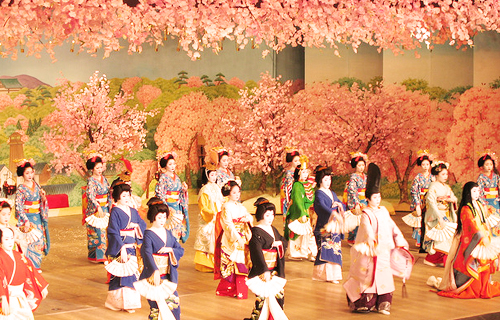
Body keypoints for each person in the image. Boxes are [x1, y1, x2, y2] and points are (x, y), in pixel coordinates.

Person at [344, 163, 410, 315]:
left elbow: (392, 226)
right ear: (367, 198)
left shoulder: (384, 211)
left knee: (384, 274)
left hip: (384, 250)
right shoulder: (366, 213)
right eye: (375, 197)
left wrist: (400, 240)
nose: (378, 199)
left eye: (379, 196)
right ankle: (365, 302)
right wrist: (372, 240)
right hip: (371, 250)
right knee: (367, 274)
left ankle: (383, 302)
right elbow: (367, 229)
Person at [433, 182, 500, 299]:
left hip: (482, 239)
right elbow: (471, 225)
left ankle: (484, 286)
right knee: (470, 263)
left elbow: (484, 221)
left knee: (487, 262)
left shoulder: (478, 204)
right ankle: (471, 287)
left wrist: (486, 235)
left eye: (478, 191)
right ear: (468, 193)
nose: (477, 193)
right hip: (470, 241)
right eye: (474, 191)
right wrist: (480, 235)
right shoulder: (465, 208)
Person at [135, 197, 184, 320]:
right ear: (153, 217)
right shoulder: (148, 235)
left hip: (167, 276)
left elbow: (180, 249)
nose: (162, 220)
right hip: (154, 278)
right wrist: (155, 270)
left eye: (164, 217)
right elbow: (146, 254)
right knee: (157, 307)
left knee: (173, 304)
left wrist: (170, 250)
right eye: (159, 217)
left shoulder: (167, 233)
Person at [104, 183, 146, 313]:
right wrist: (121, 247)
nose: (127, 198)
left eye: (128, 195)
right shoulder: (115, 211)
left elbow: (142, 224)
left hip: (132, 245)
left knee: (132, 273)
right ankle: (119, 303)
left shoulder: (133, 211)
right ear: (117, 197)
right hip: (121, 245)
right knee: (121, 274)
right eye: (123, 195)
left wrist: (137, 226)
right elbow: (113, 231)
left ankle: (129, 303)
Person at [244, 197, 288, 320]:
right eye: (267, 215)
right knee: (262, 299)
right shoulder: (256, 232)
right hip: (262, 271)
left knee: (278, 296)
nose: (271, 218)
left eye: (272, 215)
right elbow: (256, 253)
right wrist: (264, 270)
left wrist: (279, 244)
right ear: (261, 215)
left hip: (274, 269)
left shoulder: (273, 229)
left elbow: (283, 241)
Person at [214, 180, 253, 299]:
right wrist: (237, 238)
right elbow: (228, 225)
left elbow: (249, 216)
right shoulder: (226, 206)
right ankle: (230, 289)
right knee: (235, 263)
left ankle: (240, 290)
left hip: (242, 234)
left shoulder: (240, 206)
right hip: (232, 237)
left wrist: (248, 218)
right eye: (234, 192)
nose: (237, 195)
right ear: (228, 193)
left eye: (238, 192)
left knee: (242, 263)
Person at [0, 227, 48, 319]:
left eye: (11, 238)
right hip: (8, 296)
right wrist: (3, 298)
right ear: (1, 240)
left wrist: (41, 286)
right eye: (6, 239)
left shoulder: (19, 256)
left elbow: (30, 270)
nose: (10, 241)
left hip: (20, 297)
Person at [312, 165, 346, 283]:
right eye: (325, 179)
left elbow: (340, 203)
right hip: (325, 225)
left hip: (334, 226)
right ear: (320, 180)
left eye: (329, 179)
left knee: (334, 249)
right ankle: (324, 275)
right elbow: (321, 206)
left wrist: (340, 206)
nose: (328, 182)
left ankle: (333, 275)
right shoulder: (319, 194)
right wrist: (333, 213)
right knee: (326, 249)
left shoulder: (332, 193)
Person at [15, 159, 49, 270]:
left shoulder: (37, 185)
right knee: (29, 242)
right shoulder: (21, 189)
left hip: (37, 217)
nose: (30, 175)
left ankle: (36, 265)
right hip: (27, 219)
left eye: (31, 172)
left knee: (38, 240)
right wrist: (25, 220)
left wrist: (43, 197)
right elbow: (19, 206)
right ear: (22, 174)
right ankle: (30, 266)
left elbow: (41, 201)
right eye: (27, 173)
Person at [423, 161, 458, 267]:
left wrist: (453, 200)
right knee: (441, 239)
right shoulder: (433, 187)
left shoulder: (447, 187)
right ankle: (433, 259)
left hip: (446, 214)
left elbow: (454, 198)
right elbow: (431, 203)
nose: (445, 176)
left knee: (447, 238)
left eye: (446, 174)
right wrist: (439, 217)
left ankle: (438, 259)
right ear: (436, 175)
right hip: (438, 214)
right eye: (443, 174)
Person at [284, 156, 317, 260]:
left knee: (308, 233)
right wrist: (302, 213)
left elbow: (310, 198)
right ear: (298, 173)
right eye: (303, 172)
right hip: (297, 211)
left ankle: (310, 252)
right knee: (297, 233)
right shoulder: (297, 185)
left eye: (306, 172)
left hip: (306, 211)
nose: (305, 174)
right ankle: (295, 253)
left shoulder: (307, 184)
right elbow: (298, 200)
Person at [194, 161, 223, 272]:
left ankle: (217, 262)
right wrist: (212, 214)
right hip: (209, 218)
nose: (214, 177)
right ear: (207, 176)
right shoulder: (205, 190)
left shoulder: (217, 187)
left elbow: (221, 201)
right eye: (212, 175)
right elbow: (203, 207)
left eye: (215, 174)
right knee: (208, 239)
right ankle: (206, 264)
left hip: (218, 216)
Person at [155, 151, 189, 243]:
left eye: (174, 163)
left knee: (177, 230)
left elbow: (179, 192)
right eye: (170, 164)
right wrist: (165, 207)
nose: (173, 166)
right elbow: (160, 194)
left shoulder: (177, 178)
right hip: (168, 207)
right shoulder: (163, 178)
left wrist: (184, 190)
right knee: (168, 230)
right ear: (165, 166)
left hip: (177, 207)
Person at [84, 154, 111, 263]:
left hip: (105, 207)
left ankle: (97, 255)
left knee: (104, 231)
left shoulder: (104, 179)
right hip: (96, 209)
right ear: (92, 169)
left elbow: (108, 192)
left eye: (101, 167)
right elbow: (90, 195)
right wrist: (98, 206)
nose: (100, 170)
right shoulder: (91, 180)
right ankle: (99, 255)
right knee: (98, 232)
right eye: (97, 168)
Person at [405, 151, 434, 247]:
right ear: (420, 166)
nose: (425, 166)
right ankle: (419, 241)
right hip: (420, 200)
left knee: (429, 220)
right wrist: (417, 204)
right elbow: (414, 191)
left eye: (427, 164)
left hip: (430, 201)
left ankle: (429, 241)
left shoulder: (433, 177)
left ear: (430, 165)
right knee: (419, 221)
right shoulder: (418, 177)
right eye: (423, 164)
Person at [346, 152, 368, 245]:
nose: (361, 167)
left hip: (364, 200)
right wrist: (356, 203)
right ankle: (353, 239)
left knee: (364, 220)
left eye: (363, 165)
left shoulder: (365, 176)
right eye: (359, 165)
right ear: (355, 166)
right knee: (356, 221)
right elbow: (352, 190)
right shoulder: (353, 177)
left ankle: (362, 238)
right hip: (356, 200)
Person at [476, 153, 500, 236]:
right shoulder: (481, 177)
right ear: (482, 166)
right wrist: (483, 204)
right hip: (486, 202)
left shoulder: (496, 177)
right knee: (488, 222)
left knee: (497, 220)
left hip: (496, 202)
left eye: (491, 164)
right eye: (486, 164)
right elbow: (480, 192)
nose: (489, 166)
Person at [280, 148, 300, 218]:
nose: (298, 162)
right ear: (291, 162)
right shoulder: (289, 174)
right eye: (296, 161)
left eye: (299, 160)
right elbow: (288, 189)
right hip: (290, 199)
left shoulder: (299, 172)